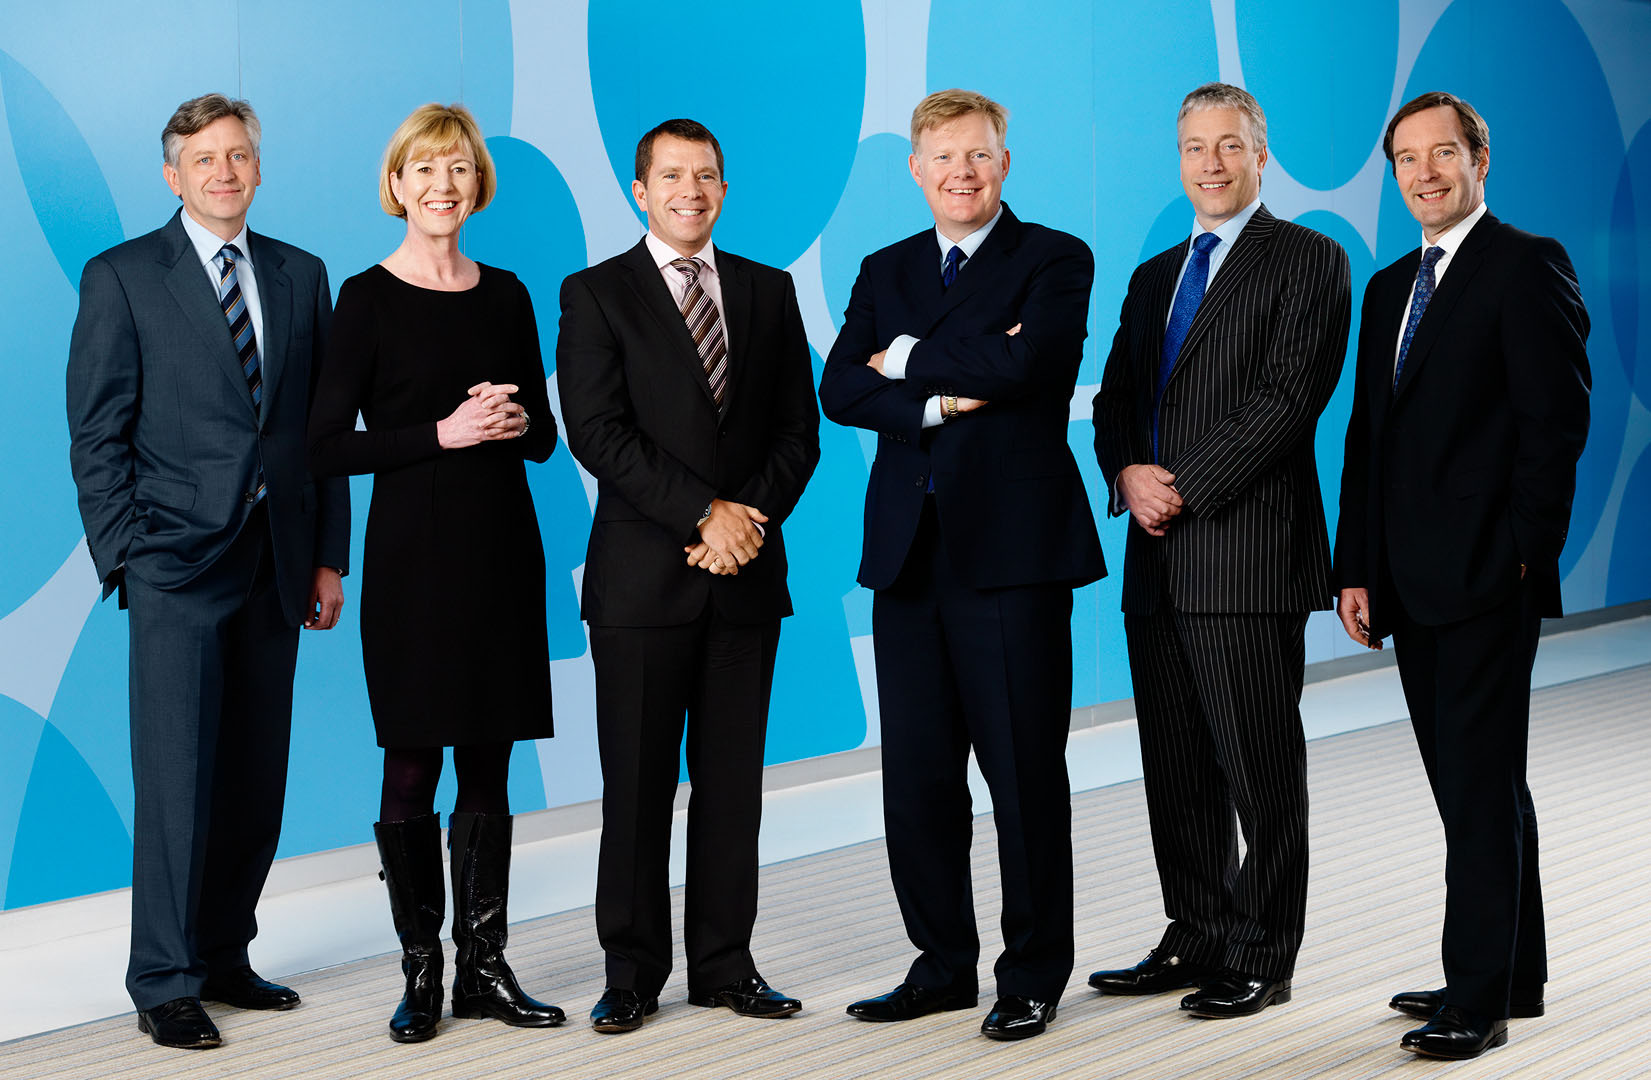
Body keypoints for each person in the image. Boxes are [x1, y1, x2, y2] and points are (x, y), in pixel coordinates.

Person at [65, 93, 350, 1050]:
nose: (224, 172)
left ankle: (225, 953)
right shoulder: (123, 276)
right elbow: (97, 435)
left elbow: (320, 434)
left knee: (254, 779)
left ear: (258, 169)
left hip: (278, 564)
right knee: (177, 782)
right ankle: (164, 978)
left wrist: (326, 557)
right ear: (172, 173)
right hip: (175, 569)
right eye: (204, 158)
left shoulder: (300, 273)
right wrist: (128, 557)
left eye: (239, 156)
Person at [819, 88, 1105, 1042]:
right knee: (920, 778)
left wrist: (899, 359)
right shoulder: (884, 265)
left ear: (1004, 163)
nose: (961, 174)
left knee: (1023, 775)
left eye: (978, 157)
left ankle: (1030, 972)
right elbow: (837, 388)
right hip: (908, 556)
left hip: (1013, 554)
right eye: (943, 159)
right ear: (915, 169)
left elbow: (1033, 372)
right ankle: (941, 963)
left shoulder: (1055, 258)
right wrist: (939, 391)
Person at [1334, 91, 1590, 1061]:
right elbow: (1367, 438)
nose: (1424, 173)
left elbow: (1553, 426)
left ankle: (1475, 996)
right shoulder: (1389, 284)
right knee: (1467, 781)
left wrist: (1525, 552)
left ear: (1480, 158)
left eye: (1443, 154)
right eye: (1406, 159)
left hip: (1488, 575)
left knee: (1478, 789)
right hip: (1403, 577)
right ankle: (1512, 970)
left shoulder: (1527, 264)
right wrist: (1353, 567)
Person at [1089, 82, 1349, 1019]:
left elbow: (1287, 400)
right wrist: (1126, 471)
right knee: (1176, 766)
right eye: (1195, 146)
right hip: (1154, 560)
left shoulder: (1310, 258)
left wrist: (1180, 483)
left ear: (1259, 153)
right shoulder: (1154, 273)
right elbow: (1117, 394)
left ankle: (1261, 952)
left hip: (1244, 556)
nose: (1210, 162)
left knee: (1259, 769)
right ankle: (1195, 930)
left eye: (1228, 145)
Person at [556, 118, 819, 1034]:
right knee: (634, 788)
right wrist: (701, 514)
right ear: (640, 189)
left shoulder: (767, 289)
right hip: (641, 581)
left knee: (732, 784)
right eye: (672, 176)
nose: (690, 191)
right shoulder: (594, 295)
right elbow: (596, 431)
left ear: (723, 186)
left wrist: (743, 521)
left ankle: (723, 964)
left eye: (706, 176)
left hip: (744, 576)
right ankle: (629, 972)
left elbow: (798, 431)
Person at [307, 103, 561, 1044]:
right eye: (425, 171)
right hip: (413, 559)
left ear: (475, 185)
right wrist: (441, 433)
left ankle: (485, 968)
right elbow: (325, 444)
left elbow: (544, 443)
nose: (443, 187)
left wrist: (511, 416)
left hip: (502, 550)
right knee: (412, 762)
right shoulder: (366, 298)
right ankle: (421, 971)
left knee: (490, 760)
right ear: (398, 186)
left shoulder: (508, 295)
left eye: (457, 170)